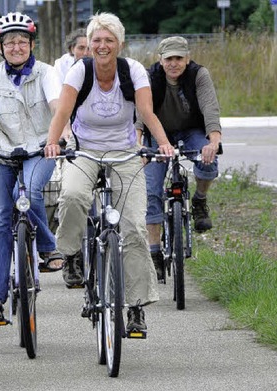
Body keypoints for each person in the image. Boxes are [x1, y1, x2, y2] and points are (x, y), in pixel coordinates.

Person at [43, 12, 173, 334]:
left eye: (109, 40)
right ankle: (71, 252)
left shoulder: (133, 72)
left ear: (120, 44)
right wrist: (52, 142)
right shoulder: (79, 71)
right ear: (89, 45)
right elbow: (63, 111)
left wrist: (164, 144)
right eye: (97, 41)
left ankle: (137, 306)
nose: (102, 46)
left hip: (125, 153)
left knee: (133, 228)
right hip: (84, 150)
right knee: (72, 195)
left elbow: (146, 112)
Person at [0, 12, 62, 325]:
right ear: (0, 47)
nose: (16, 47)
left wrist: (61, 135)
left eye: (22, 41)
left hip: (40, 149)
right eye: (10, 42)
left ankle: (47, 245)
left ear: (32, 44)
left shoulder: (46, 73)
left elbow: (57, 107)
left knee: (31, 192)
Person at [140, 36, 221, 280]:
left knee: (208, 162)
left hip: (191, 129)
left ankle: (199, 200)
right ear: (160, 60)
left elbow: (210, 107)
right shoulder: (150, 76)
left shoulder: (198, 75)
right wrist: (138, 144)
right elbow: (140, 112)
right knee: (151, 190)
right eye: (169, 59)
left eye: (179, 58)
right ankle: (154, 252)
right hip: (157, 133)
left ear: (187, 59)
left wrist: (214, 141)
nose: (174, 63)